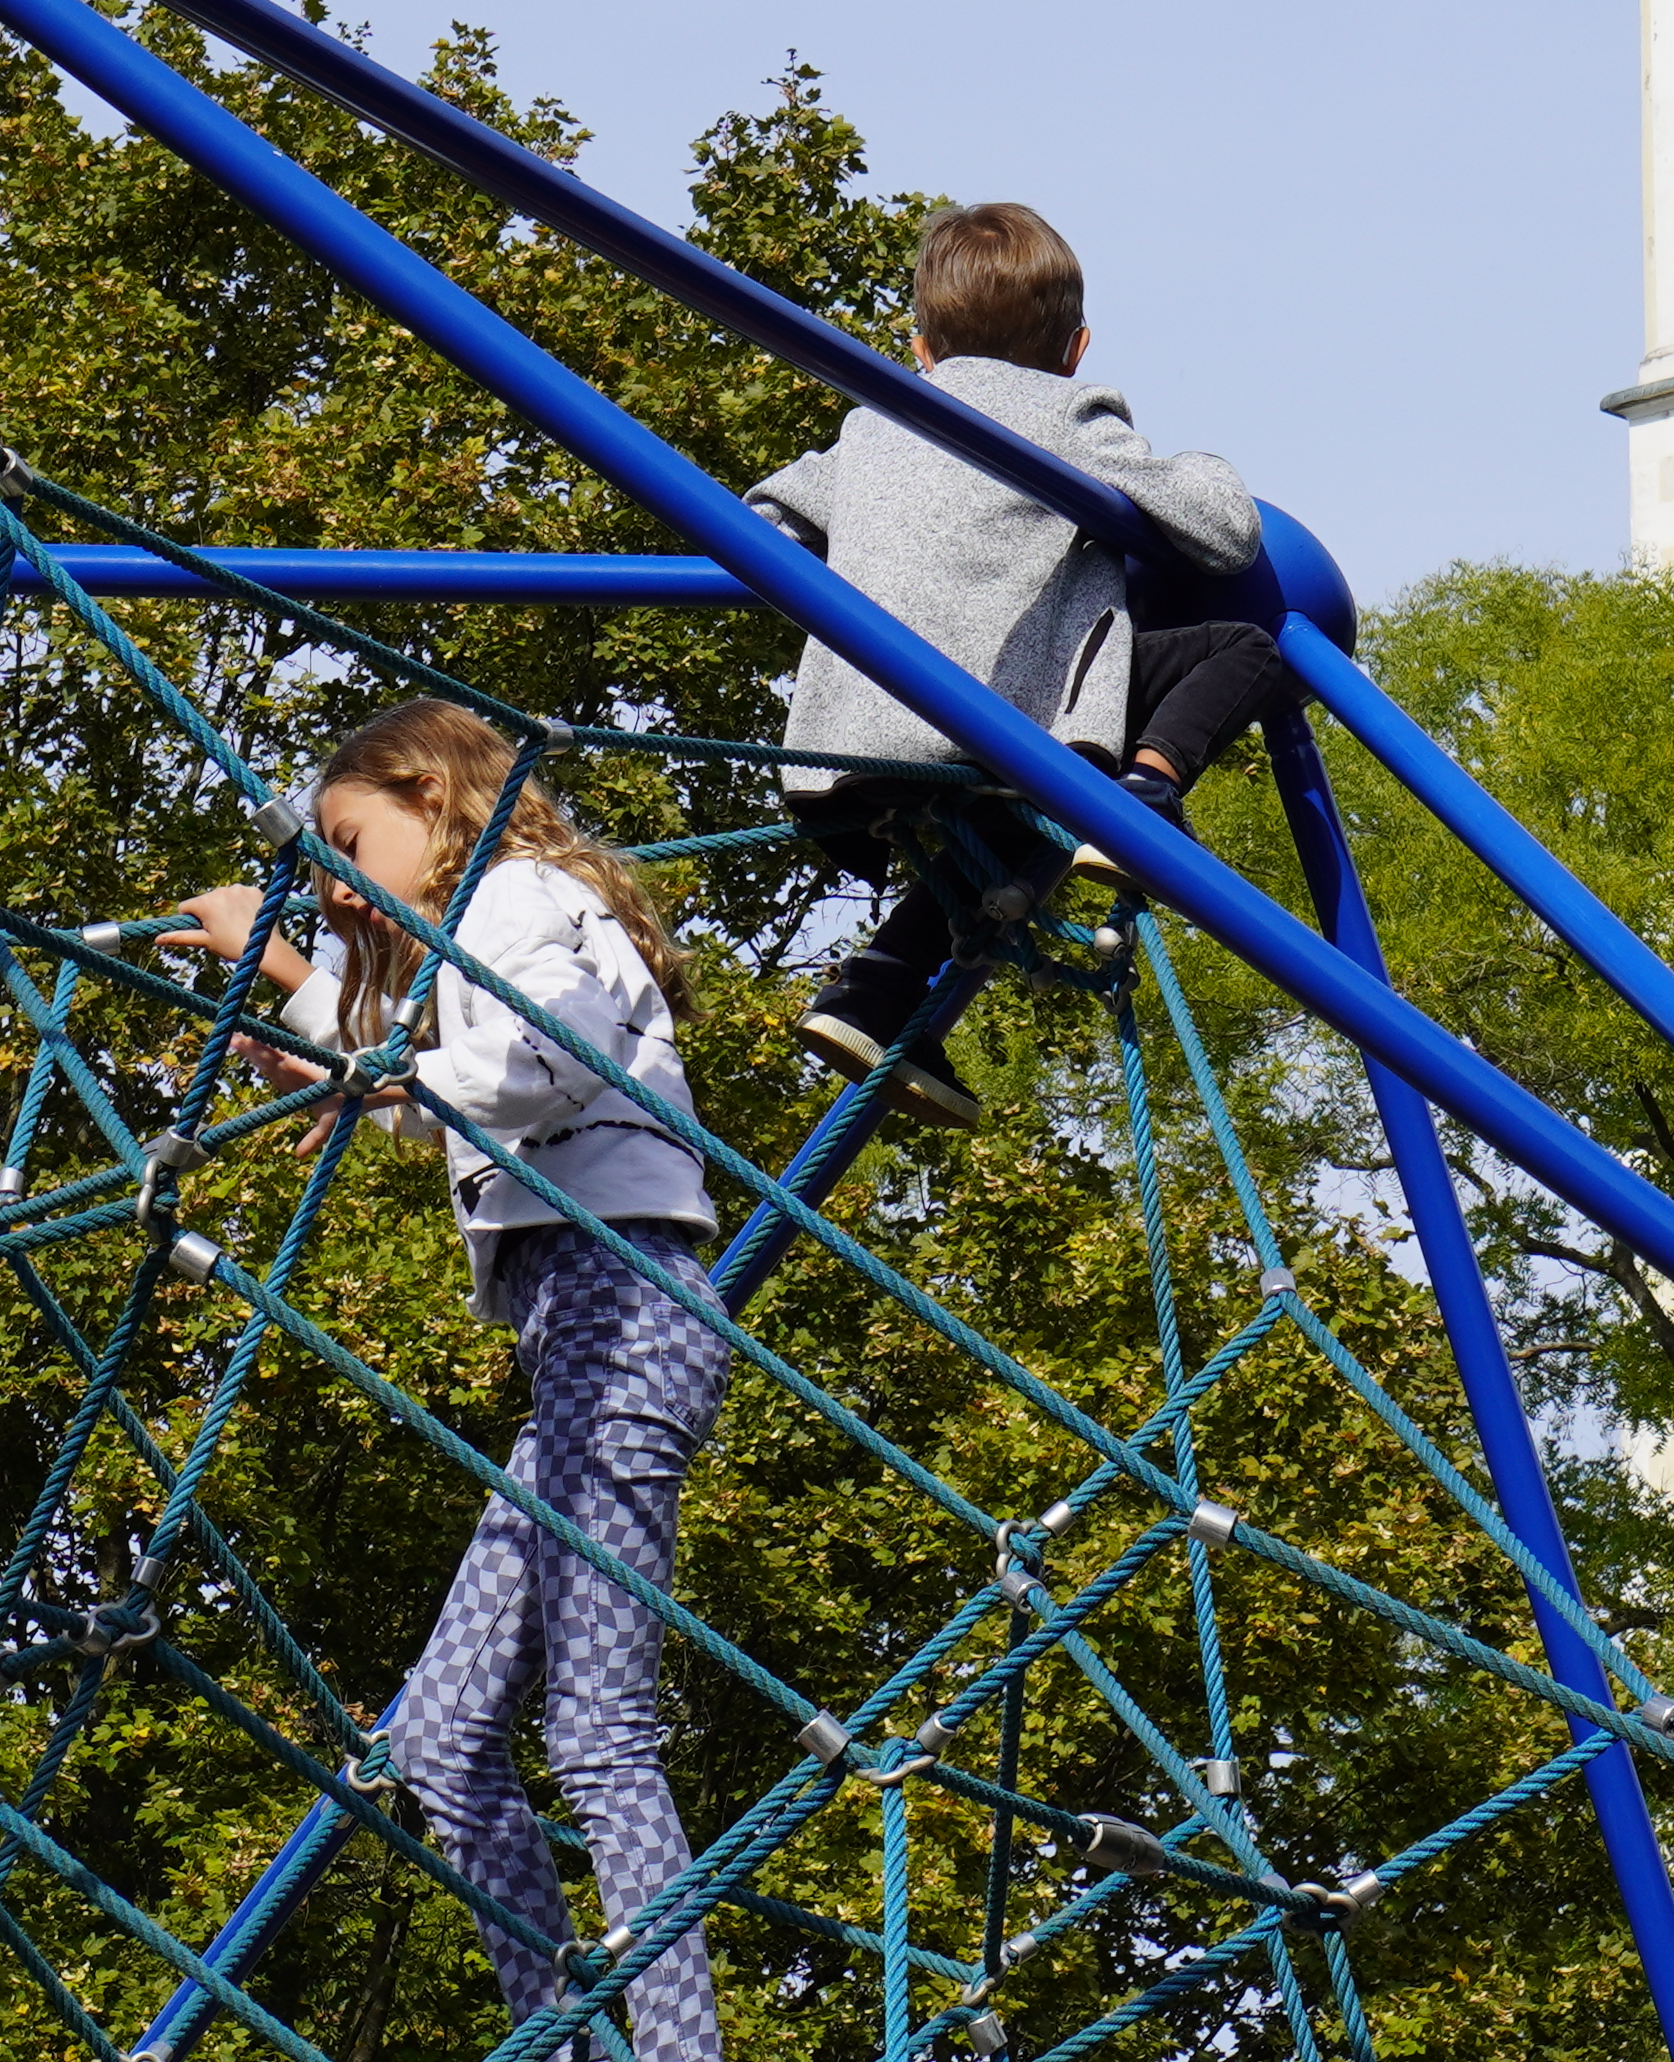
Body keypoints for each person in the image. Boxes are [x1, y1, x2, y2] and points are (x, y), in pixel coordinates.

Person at [174, 700, 726, 2062]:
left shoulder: (524, 895)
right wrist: (306, 996)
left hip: (628, 1304)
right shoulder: (485, 925)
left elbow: (527, 1064)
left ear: (429, 796)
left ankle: (673, 2051)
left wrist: (340, 1033)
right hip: (578, 1330)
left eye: (353, 842)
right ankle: (565, 2039)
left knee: (596, 1728)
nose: (347, 881)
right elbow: (440, 1077)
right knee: (443, 1740)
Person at [746, 200, 1287, 1135]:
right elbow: (1227, 530)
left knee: (1026, 802)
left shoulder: (870, 428)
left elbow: (762, 524)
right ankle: (1143, 802)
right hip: (1004, 726)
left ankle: (876, 987)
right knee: (1238, 653)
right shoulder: (1066, 409)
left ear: (919, 347)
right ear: (1076, 349)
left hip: (850, 746)